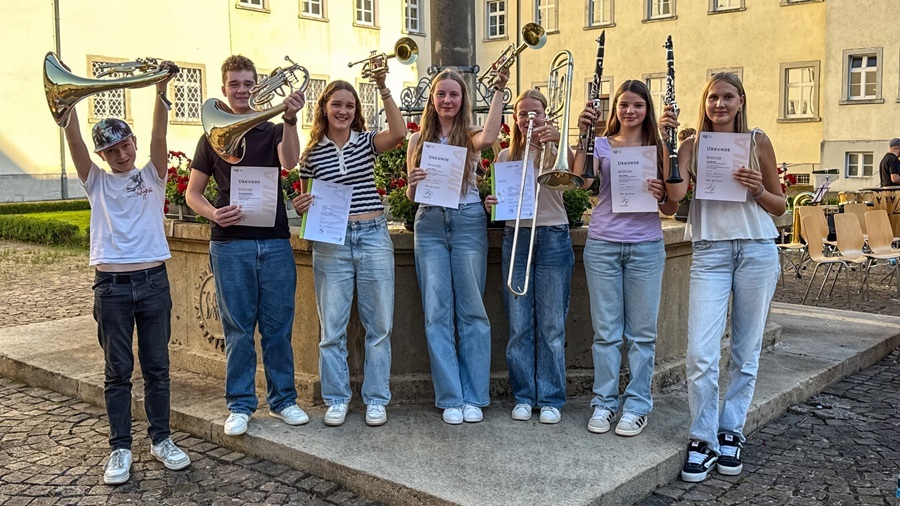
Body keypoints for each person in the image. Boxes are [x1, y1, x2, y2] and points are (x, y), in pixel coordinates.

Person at [61, 62, 191, 485]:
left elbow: (159, 136)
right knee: (117, 371)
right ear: (102, 156)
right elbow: (75, 141)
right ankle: (120, 448)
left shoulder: (153, 175)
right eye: (112, 150)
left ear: (133, 143)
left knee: (157, 368)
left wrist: (161, 90)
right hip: (111, 286)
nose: (121, 154)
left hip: (153, 282)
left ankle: (161, 440)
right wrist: (67, 104)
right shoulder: (96, 181)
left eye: (125, 145)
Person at [659, 72, 784, 482]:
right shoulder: (692, 145)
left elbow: (780, 205)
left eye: (728, 97)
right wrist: (666, 141)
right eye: (713, 97)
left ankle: (730, 430)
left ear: (741, 100)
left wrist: (757, 190)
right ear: (705, 101)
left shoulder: (757, 141)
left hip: (756, 248)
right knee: (700, 353)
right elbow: (672, 202)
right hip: (710, 251)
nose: (720, 104)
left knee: (746, 350)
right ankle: (702, 435)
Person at [185, 55, 309, 437]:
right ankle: (240, 405)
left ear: (258, 86)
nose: (242, 90)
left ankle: (283, 400)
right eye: (234, 84)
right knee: (237, 329)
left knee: (278, 328)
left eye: (248, 83)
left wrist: (290, 119)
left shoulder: (273, 130)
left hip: (274, 241)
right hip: (230, 244)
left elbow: (290, 162)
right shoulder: (212, 135)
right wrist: (213, 214)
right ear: (224, 90)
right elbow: (192, 194)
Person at [291, 68, 406, 427]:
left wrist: (383, 87)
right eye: (336, 104)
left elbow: (399, 133)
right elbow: (306, 199)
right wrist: (301, 205)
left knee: (379, 326)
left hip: (372, 235)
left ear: (356, 111)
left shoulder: (366, 142)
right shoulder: (310, 154)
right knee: (332, 329)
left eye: (349, 106)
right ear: (324, 108)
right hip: (331, 242)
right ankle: (337, 398)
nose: (343, 111)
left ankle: (376, 399)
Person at [571, 81, 679, 437]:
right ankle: (604, 403)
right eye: (623, 105)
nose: (630, 111)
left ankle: (637, 405)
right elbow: (581, 183)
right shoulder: (601, 144)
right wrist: (584, 134)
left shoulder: (658, 147)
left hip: (645, 246)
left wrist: (662, 193)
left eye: (637, 105)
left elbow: (671, 207)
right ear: (614, 108)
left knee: (642, 335)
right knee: (606, 333)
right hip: (603, 243)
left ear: (647, 109)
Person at [405, 67, 509, 425]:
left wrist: (499, 91)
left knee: (472, 311)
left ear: (463, 99)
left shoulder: (471, 135)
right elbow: (411, 196)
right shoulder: (417, 140)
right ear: (432, 100)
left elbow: (492, 136)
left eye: (454, 94)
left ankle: (474, 396)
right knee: (436, 313)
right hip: (430, 222)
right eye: (441, 94)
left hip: (466, 220)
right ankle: (450, 396)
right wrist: (412, 182)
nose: (447, 100)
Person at [482, 90, 574, 424]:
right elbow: (500, 201)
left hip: (552, 234)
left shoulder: (556, 151)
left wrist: (557, 139)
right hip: (516, 236)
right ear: (515, 119)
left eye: (536, 112)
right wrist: (492, 203)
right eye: (523, 113)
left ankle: (550, 397)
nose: (529, 119)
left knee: (551, 324)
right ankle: (523, 395)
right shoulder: (506, 156)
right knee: (519, 323)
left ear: (546, 115)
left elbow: (577, 179)